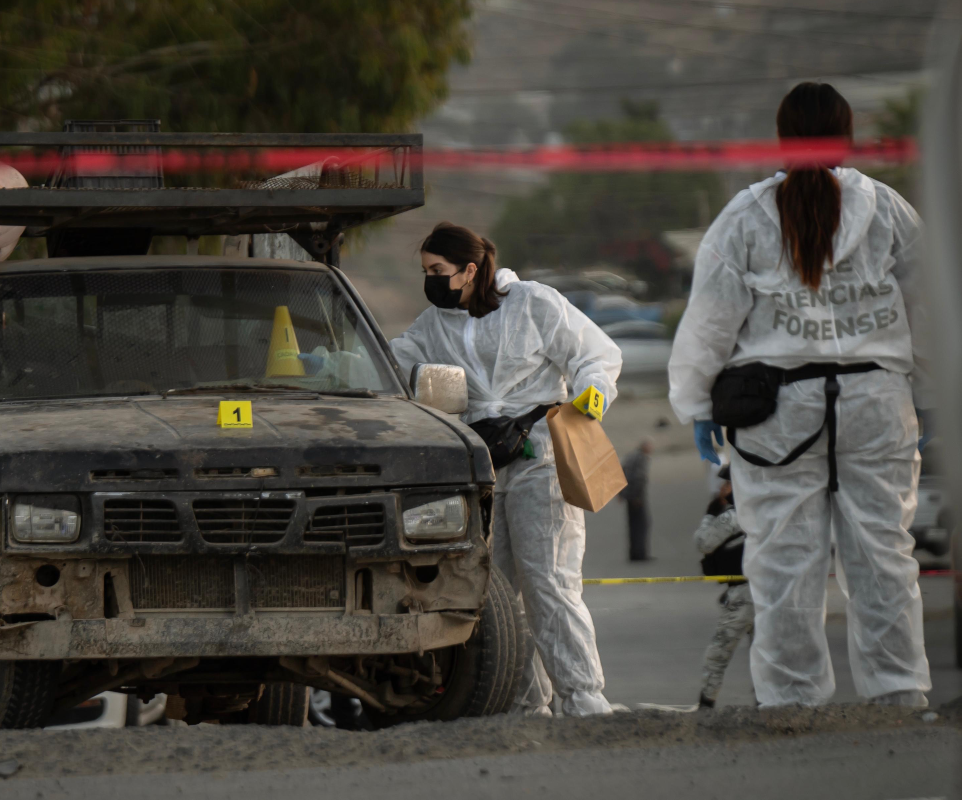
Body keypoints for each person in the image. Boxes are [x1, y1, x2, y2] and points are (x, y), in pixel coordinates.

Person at [668, 83, 932, 708]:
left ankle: (791, 702)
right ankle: (898, 695)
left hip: (777, 410)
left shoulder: (747, 217)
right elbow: (930, 309)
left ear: (783, 137)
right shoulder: (889, 210)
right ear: (847, 136)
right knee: (884, 554)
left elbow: (710, 321)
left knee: (783, 561)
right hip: (877, 403)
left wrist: (696, 403)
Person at [391, 222, 623, 717]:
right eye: (427, 271)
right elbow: (393, 361)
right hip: (484, 468)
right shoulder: (434, 324)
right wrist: (329, 361)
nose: (431, 280)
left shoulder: (533, 302)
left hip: (540, 456)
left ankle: (582, 700)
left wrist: (593, 398)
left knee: (551, 582)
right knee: (495, 594)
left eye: (438, 271)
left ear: (470, 270)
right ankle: (523, 708)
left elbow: (594, 355)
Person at [695, 467, 753, 708]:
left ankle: (706, 707)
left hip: (743, 595)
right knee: (764, 653)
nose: (722, 489)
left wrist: (710, 515)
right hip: (767, 591)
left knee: (717, 655)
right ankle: (768, 704)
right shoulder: (759, 510)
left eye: (726, 484)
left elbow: (703, 542)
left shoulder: (733, 516)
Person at [619, 439, 653, 561]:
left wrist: (621, 494)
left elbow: (621, 472)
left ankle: (633, 553)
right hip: (636, 498)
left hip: (629, 496)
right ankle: (640, 554)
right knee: (641, 525)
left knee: (632, 525)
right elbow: (639, 478)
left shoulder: (630, 456)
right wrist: (637, 497)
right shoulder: (641, 458)